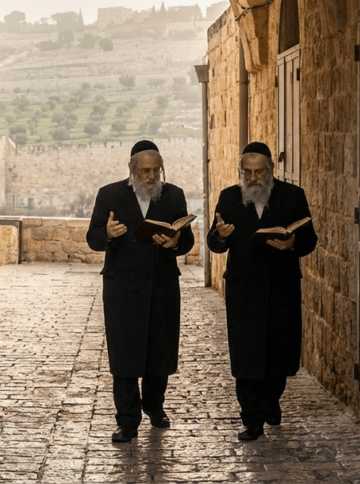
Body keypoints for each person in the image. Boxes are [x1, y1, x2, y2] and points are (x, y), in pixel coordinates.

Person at [86, 140, 195, 443]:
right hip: (122, 287)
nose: (151, 176)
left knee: (160, 350)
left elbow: (187, 239)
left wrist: (176, 242)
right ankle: (127, 421)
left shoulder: (174, 195)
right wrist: (107, 234)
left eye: (156, 170)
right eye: (145, 171)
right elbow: (93, 237)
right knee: (124, 355)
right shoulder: (110, 194)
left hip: (162, 285)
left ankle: (155, 408)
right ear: (132, 169)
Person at [207, 141, 317, 441]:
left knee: (279, 353)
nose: (253, 178)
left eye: (259, 172)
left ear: (270, 169)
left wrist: (292, 244)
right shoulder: (229, 197)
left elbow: (309, 239)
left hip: (282, 287)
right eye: (247, 172)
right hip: (243, 289)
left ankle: (271, 400)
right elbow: (214, 243)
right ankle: (252, 419)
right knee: (246, 355)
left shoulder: (293, 195)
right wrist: (220, 235)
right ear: (241, 171)